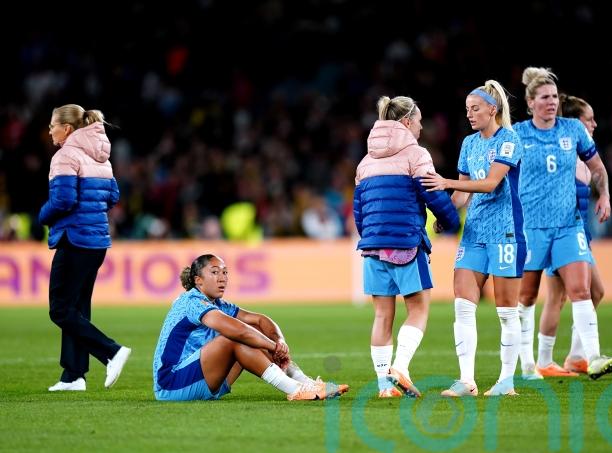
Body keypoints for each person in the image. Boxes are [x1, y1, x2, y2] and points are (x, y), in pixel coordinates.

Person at [514, 67, 612, 381]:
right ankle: (528, 363)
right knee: (527, 296)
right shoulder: (518, 134)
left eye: (554, 97)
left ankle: (592, 356)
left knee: (581, 290)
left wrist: (605, 195)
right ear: (530, 102)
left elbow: (597, 167)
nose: (551, 102)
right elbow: (499, 172)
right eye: (544, 97)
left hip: (568, 226)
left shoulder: (573, 130)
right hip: (531, 228)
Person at [422, 80, 524, 397]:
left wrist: (445, 182)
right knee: (463, 306)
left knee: (507, 311)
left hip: (506, 232)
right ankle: (467, 380)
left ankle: (506, 381)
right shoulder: (469, 143)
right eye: (467, 109)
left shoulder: (509, 140)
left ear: (492, 109)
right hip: (475, 232)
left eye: (475, 108)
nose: (469, 114)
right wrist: (445, 214)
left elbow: (491, 184)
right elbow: (462, 195)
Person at [353, 95, 460, 398]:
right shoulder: (416, 154)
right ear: (406, 121)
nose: (422, 127)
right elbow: (433, 193)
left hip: (373, 247)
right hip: (406, 245)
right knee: (418, 309)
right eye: (420, 121)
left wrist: (372, 236)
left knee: (382, 316)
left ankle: (384, 386)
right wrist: (451, 221)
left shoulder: (365, 162)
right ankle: (400, 367)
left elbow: (359, 211)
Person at [152, 254, 349, 401]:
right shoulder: (191, 301)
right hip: (171, 385)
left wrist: (279, 341)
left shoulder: (218, 304)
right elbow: (238, 331)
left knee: (253, 330)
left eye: (225, 272)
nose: (222, 278)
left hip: (202, 380)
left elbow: (260, 320)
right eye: (214, 272)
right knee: (234, 336)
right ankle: (295, 389)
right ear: (198, 280)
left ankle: (306, 382)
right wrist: (274, 347)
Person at [40, 104, 131, 392]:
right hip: (97, 239)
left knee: (60, 309)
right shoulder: (101, 156)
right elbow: (113, 196)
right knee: (77, 308)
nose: (50, 131)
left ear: (67, 128)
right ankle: (73, 375)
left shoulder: (65, 155)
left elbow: (63, 200)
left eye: (53, 125)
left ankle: (111, 351)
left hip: (74, 238)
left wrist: (42, 216)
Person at [537, 94, 606, 376]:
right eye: (589, 119)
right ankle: (545, 361)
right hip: (561, 235)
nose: (594, 124)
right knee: (558, 297)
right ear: (575, 123)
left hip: (578, 235)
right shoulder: (561, 157)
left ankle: (576, 357)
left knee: (595, 292)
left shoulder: (582, 156)